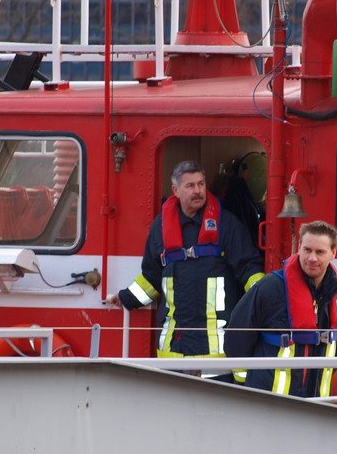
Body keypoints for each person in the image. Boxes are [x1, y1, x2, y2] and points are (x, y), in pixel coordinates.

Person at [109, 161, 264, 377]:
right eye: (190, 186)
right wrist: (126, 298)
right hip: (173, 353)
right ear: (176, 190)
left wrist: (265, 297)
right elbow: (152, 276)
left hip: (216, 356)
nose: (198, 191)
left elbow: (248, 268)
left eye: (201, 184)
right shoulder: (160, 228)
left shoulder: (227, 225)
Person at [225, 220, 337, 397]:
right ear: (299, 247)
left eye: (320, 252)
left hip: (318, 408)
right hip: (268, 404)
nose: (312, 258)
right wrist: (247, 386)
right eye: (307, 250)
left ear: (333, 253)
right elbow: (236, 341)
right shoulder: (270, 288)